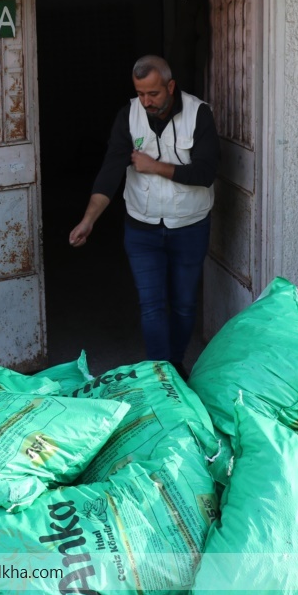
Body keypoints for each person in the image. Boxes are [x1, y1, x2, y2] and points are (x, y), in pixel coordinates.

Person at [69, 55, 220, 372]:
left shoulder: (198, 114)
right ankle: (160, 374)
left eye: (154, 93)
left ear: (171, 86)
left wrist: (154, 167)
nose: (147, 101)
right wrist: (88, 219)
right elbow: (110, 172)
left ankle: (175, 364)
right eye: (141, 93)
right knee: (151, 306)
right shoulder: (128, 116)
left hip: (189, 226)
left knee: (183, 305)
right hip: (142, 228)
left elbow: (206, 172)